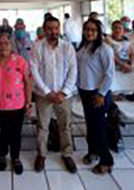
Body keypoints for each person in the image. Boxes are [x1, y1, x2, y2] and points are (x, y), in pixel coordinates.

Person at [31, 16, 77, 173]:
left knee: (65, 126)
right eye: (49, 28)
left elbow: (73, 70)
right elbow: (34, 71)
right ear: (44, 30)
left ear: (59, 29)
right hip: (44, 95)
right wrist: (47, 92)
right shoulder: (37, 46)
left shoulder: (67, 47)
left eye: (56, 28)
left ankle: (67, 154)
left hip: (64, 95)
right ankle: (41, 154)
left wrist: (64, 92)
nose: (53, 31)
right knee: (43, 126)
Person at [0, 33, 32, 175]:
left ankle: (15, 157)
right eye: (0, 43)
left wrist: (28, 103)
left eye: (6, 43)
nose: (3, 46)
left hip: (17, 105)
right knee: (3, 131)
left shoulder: (20, 61)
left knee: (15, 132)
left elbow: (28, 83)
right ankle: (2, 155)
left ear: (12, 45)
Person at [77, 18, 115, 175]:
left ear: (99, 32)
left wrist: (101, 93)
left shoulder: (104, 49)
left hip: (98, 93)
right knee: (91, 126)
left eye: (93, 30)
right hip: (85, 91)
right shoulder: (84, 47)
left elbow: (109, 74)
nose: (89, 32)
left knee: (98, 128)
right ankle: (92, 152)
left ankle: (106, 161)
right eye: (87, 30)